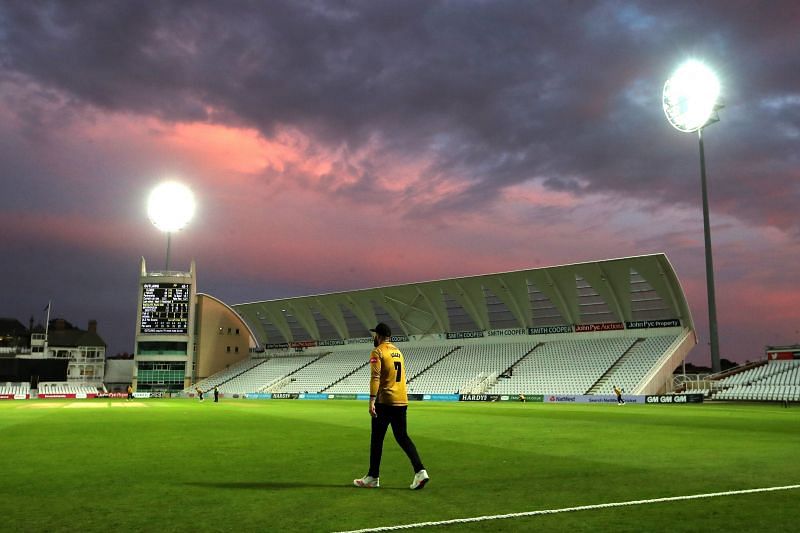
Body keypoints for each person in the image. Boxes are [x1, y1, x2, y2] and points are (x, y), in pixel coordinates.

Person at [354, 322, 429, 490]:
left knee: (377, 439)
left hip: (385, 401)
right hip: (401, 400)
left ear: (379, 336)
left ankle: (373, 477)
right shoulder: (398, 352)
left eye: (375, 335)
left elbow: (375, 378)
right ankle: (420, 471)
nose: (374, 337)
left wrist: (371, 400)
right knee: (402, 437)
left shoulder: (378, 351)